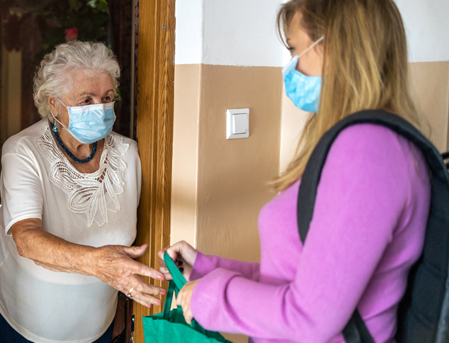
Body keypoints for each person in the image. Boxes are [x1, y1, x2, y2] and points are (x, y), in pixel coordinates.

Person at [159, 0, 430, 342]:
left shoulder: (368, 152)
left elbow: (310, 317)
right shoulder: (355, 143)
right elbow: (297, 277)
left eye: (295, 49)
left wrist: (209, 296)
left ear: (333, 46)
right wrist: (206, 268)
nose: (291, 67)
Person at [0, 41, 165, 343]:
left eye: (107, 98)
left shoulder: (127, 154)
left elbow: (128, 241)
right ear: (53, 103)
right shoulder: (23, 151)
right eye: (86, 100)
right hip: (26, 324)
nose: (100, 107)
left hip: (99, 323)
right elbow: (27, 239)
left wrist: (119, 307)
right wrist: (98, 264)